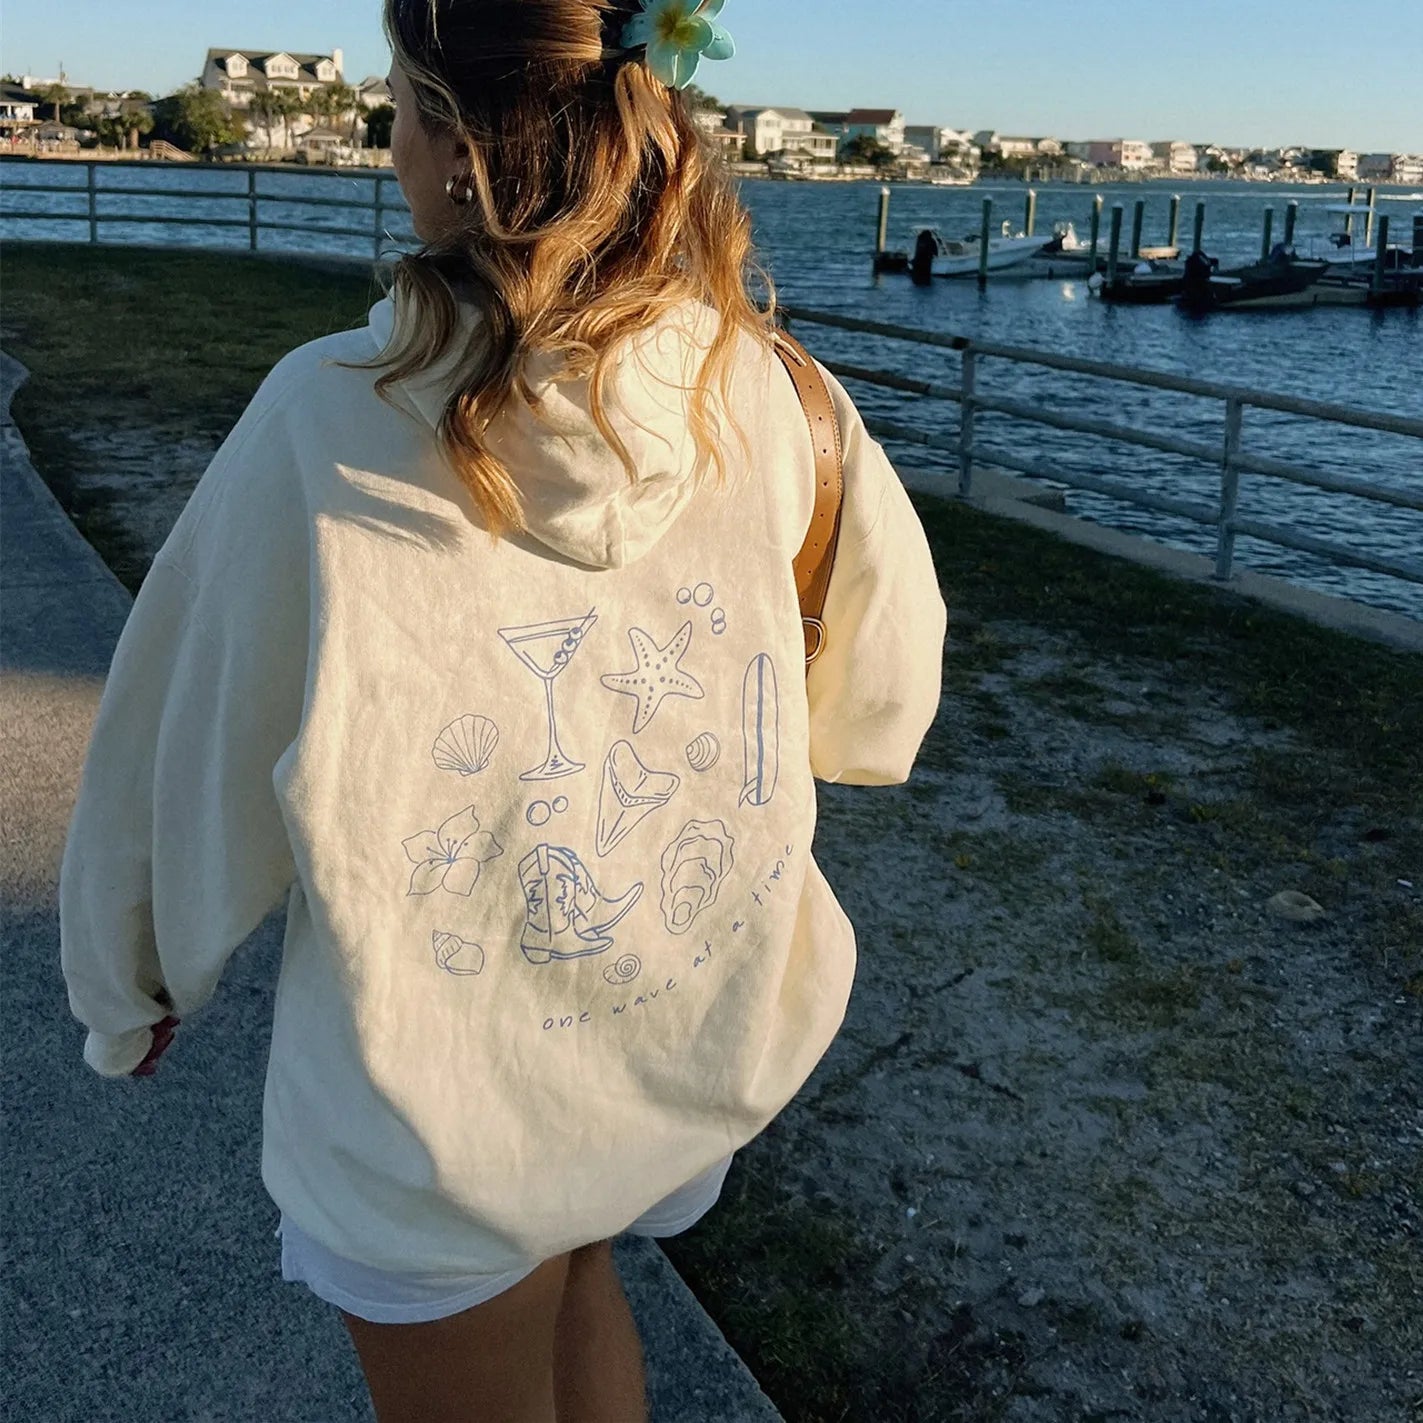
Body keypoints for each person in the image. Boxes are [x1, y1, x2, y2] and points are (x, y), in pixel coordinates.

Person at [57, 0, 947, 1418]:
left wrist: (135, 972)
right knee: (587, 1276)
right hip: (665, 1034)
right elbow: (884, 689)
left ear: (464, 147)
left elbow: (190, 722)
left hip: (441, 1103)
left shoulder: (333, 415)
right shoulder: (771, 390)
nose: (388, 142)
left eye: (397, 107)